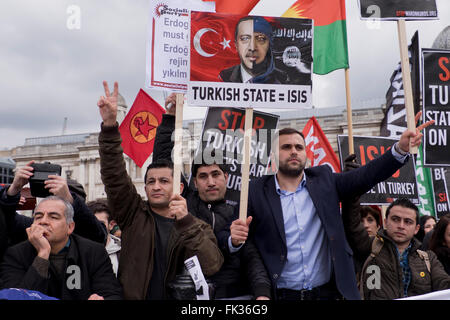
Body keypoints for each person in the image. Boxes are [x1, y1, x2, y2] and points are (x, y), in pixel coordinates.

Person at [227, 113, 433, 300]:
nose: (293, 152)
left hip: (328, 293)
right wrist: (234, 239)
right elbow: (230, 236)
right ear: (273, 155)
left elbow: (366, 175)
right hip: (280, 295)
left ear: (306, 154)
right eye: (286, 147)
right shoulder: (253, 192)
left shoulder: (324, 180)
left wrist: (399, 150)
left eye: (299, 147)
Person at [96, 81, 223, 300]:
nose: (156, 186)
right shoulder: (133, 215)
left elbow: (211, 265)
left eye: (164, 181)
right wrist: (109, 126)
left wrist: (185, 222)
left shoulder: (197, 225)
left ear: (179, 187)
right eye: (151, 181)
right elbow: (114, 176)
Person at [151, 93, 271, 300]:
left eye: (216, 175)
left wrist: (262, 293)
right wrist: (170, 118)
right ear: (195, 182)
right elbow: (163, 163)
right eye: (203, 177)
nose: (211, 182)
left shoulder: (241, 209)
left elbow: (251, 256)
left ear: (226, 176)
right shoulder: (184, 202)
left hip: (232, 296)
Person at [0, 196, 122, 300]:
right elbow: (17, 296)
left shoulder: (93, 252)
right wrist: (42, 255)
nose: (43, 221)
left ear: (70, 227)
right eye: (38, 217)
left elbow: (111, 294)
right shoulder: (15, 255)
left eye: (53, 217)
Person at [345, 198, 450, 299]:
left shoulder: (428, 259)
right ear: (385, 222)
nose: (401, 225)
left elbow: (444, 286)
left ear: (416, 229)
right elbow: (352, 224)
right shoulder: (369, 247)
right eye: (395, 219)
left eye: (408, 222)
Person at [0, 162, 107, 246]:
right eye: (39, 215)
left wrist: (68, 198)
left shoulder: (87, 239)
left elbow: (98, 236)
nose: (45, 221)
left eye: (54, 216)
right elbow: (7, 222)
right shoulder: (33, 228)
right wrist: (12, 191)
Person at [219, 16, 289, 84]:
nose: (252, 48)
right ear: (236, 45)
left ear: (269, 44)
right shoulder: (223, 77)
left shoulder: (283, 80)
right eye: (245, 38)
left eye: (261, 39)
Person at [87, 199, 121, 277]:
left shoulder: (125, 252)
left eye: (100, 223)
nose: (95, 227)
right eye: (90, 222)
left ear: (111, 224)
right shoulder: (77, 251)